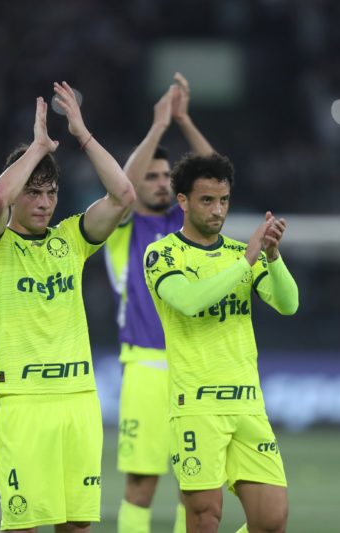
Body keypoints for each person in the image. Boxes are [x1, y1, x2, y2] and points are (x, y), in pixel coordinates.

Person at [0, 84, 134, 532]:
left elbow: (122, 198)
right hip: (24, 403)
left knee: (77, 527)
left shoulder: (71, 239)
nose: (43, 203)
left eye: (51, 192)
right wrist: (38, 147)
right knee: (23, 526)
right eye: (34, 192)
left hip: (79, 400)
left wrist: (82, 135)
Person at [144, 152, 298, 533]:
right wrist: (246, 262)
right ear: (183, 201)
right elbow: (190, 302)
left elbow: (289, 303)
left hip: (247, 404)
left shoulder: (236, 254)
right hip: (197, 404)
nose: (218, 210)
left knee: (272, 520)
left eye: (224, 200)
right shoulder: (162, 254)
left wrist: (273, 258)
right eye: (207, 200)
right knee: (205, 517)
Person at [105, 73, 214, 533]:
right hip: (146, 368)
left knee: (195, 485)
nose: (159, 182)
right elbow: (122, 189)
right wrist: (157, 128)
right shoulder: (121, 228)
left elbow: (213, 175)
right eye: (151, 175)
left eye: (167, 176)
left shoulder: (185, 221)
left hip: (193, 366)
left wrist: (183, 120)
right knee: (142, 484)